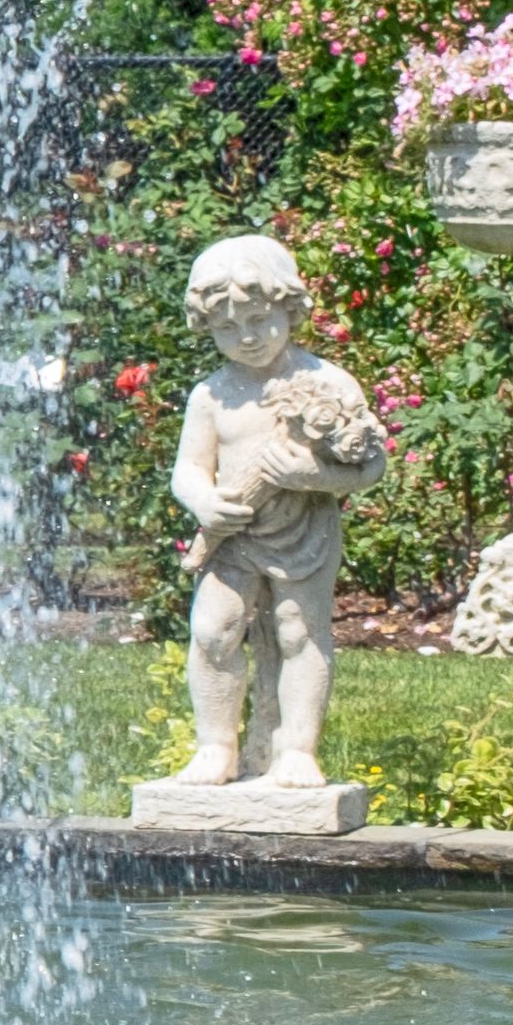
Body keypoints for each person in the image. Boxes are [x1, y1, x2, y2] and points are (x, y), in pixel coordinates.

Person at [170, 232, 386, 790]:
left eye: (260, 320)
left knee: (298, 632)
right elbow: (188, 469)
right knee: (214, 631)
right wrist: (204, 501)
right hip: (234, 532)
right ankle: (215, 747)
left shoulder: (327, 384)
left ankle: (295, 751)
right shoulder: (211, 395)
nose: (246, 337)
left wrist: (310, 476)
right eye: (226, 328)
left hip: (303, 531)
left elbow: (370, 468)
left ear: (290, 309)